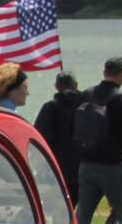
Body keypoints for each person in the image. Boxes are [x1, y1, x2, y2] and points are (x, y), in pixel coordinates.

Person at [73, 56, 122, 224]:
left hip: (87, 165)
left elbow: (72, 127)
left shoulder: (86, 94)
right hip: (113, 166)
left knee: (82, 216)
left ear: (104, 72)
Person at [32, 70, 86, 202]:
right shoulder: (86, 106)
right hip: (82, 166)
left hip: (55, 167)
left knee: (57, 206)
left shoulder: (50, 107)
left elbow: (39, 137)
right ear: (76, 84)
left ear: (56, 87)